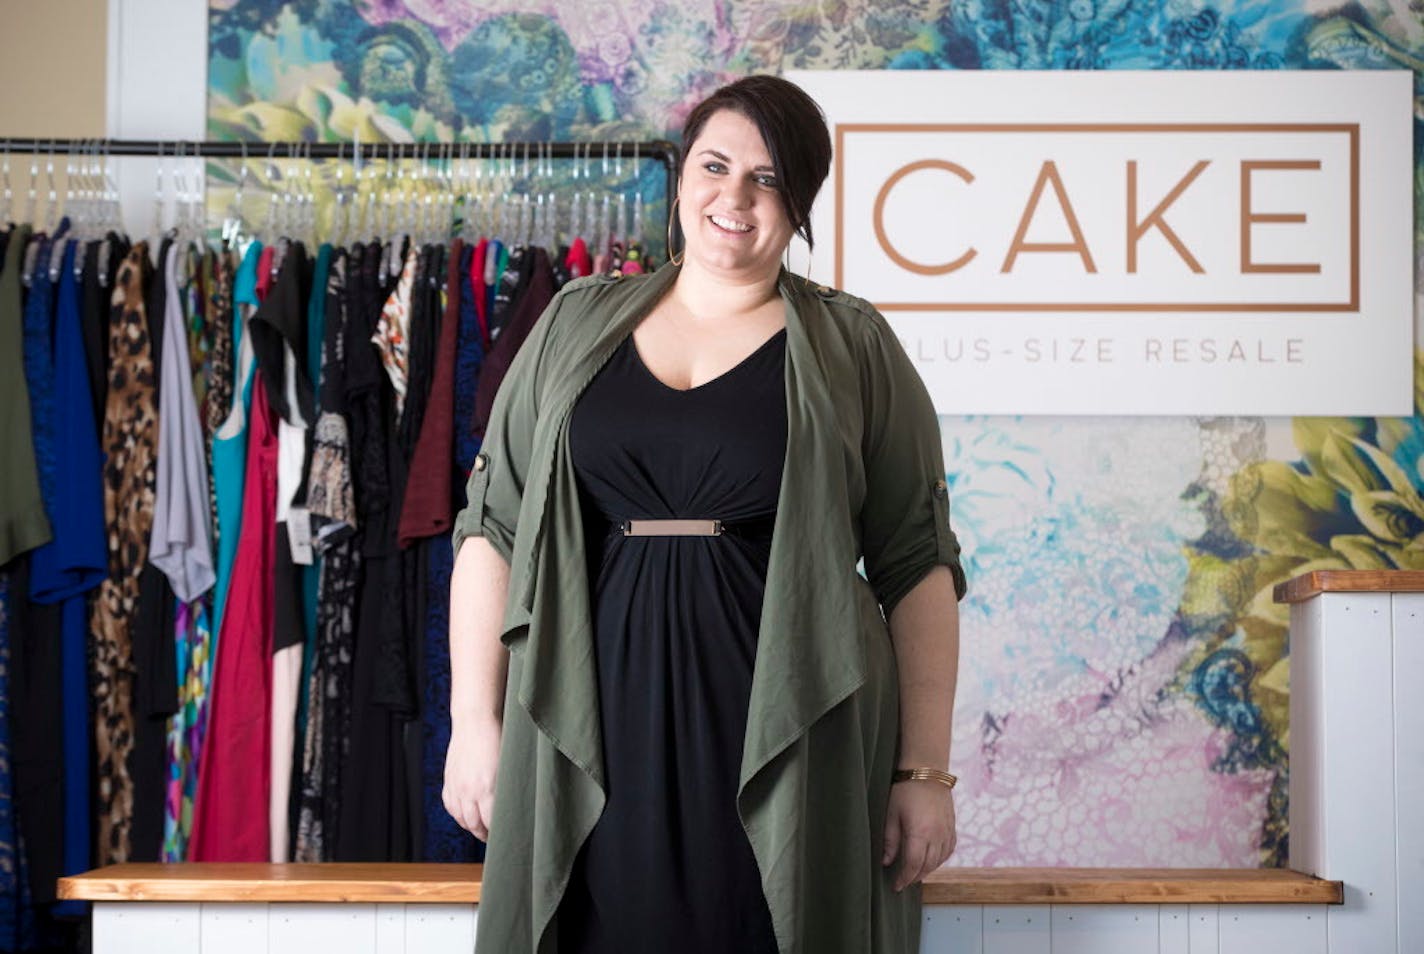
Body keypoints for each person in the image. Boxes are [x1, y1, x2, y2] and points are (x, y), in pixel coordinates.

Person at [443, 74, 968, 954]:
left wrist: (924, 771)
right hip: (588, 722)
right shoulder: (574, 322)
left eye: (767, 178)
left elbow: (918, 563)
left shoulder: (854, 344)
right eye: (715, 165)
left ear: (799, 203)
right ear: (682, 176)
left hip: (796, 731)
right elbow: (490, 530)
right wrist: (474, 725)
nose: (734, 196)